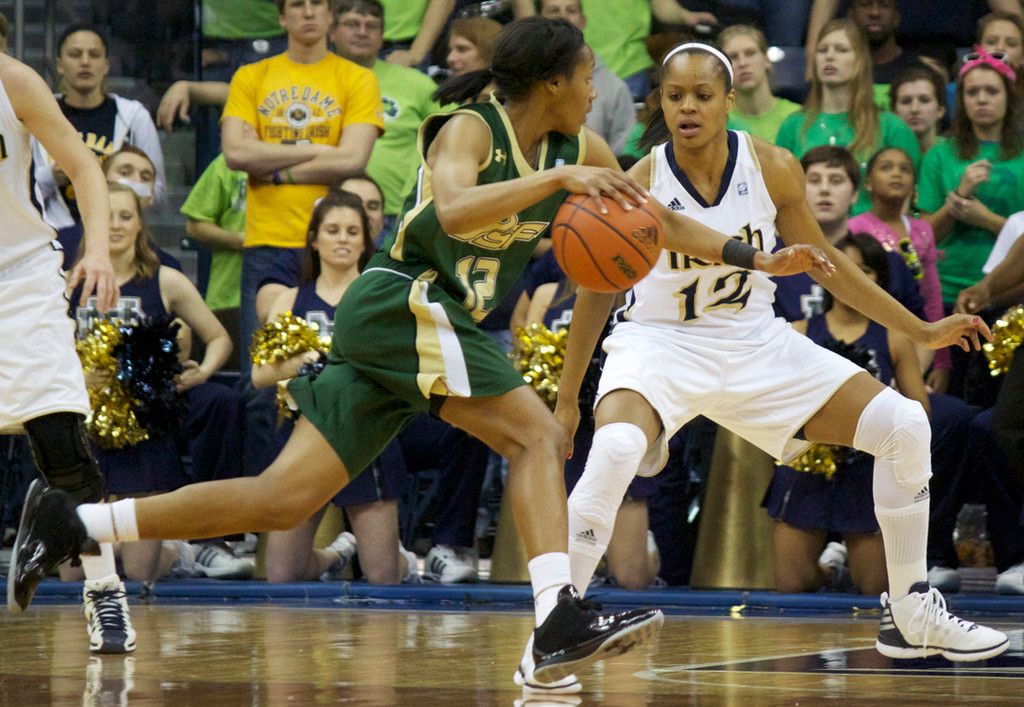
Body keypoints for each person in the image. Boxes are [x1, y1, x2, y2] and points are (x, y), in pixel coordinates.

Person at [9, 17, 825, 691]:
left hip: (417, 331)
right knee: (536, 432)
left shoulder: (581, 158)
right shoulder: (472, 127)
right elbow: (459, 209)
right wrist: (557, 184)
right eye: (586, 80)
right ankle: (555, 621)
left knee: (278, 500)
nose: (596, 95)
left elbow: (656, 223)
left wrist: (753, 258)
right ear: (552, 84)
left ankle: (77, 516)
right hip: (401, 300)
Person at [555, 42, 1006, 672]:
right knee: (617, 450)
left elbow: (833, 267)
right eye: (675, 96)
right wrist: (568, 400)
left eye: (703, 95)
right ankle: (556, 625)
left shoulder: (772, 167)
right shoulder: (639, 183)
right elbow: (595, 294)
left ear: (729, 101)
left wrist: (923, 330)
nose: (688, 108)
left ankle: (909, 614)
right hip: (659, 343)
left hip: (754, 342)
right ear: (659, 102)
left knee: (905, 425)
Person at [0, 50, 129, 653]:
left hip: (18, 280)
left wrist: (97, 249)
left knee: (69, 459)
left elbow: (83, 167)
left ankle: (105, 596)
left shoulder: (13, 80)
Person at [224, 0, 383, 475]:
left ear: (331, 16)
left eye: (318, 4)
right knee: (261, 387)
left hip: (339, 243)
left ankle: (329, 497)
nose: (309, 12)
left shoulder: (356, 78)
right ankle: (261, 518)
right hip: (268, 243)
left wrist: (276, 169)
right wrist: (317, 146)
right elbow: (234, 152)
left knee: (340, 373)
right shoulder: (251, 76)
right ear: (281, 17)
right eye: (297, 4)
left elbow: (353, 158)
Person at [70, 183, 234, 587]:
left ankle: (178, 553)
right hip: (85, 428)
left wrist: (202, 371)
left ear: (140, 224)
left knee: (139, 574)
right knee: (74, 574)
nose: (115, 225)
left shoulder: (166, 280)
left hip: (145, 430)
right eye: (106, 215)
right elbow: (41, 348)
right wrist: (78, 376)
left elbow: (220, 338)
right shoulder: (67, 281)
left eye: (125, 216)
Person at [252, 189, 415, 584]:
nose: (342, 238)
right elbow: (260, 375)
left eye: (352, 231)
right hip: (301, 437)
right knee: (282, 575)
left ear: (365, 241)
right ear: (314, 239)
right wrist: (313, 359)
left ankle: (411, 564)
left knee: (383, 576)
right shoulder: (288, 299)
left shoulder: (383, 298)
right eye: (332, 230)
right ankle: (334, 557)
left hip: (367, 436)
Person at [764, 233, 928, 596]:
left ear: (879, 280)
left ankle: (850, 561)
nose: (856, 277)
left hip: (867, 470)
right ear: (826, 273)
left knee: (874, 588)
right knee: (792, 584)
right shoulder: (799, 331)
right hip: (809, 464)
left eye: (866, 270)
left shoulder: (894, 337)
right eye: (847, 267)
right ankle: (830, 571)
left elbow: (921, 410)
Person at [31, 24, 167, 271]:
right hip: (52, 239)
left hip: (117, 240)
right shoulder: (39, 113)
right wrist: (51, 176)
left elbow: (158, 194)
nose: (85, 62)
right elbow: (17, 189)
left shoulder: (133, 116)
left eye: (94, 55)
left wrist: (119, 182)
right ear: (59, 64)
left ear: (106, 65)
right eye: (75, 54)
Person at [776, 19, 920, 215]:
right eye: (822, 50)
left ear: (860, 59)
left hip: (874, 241)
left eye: (841, 50)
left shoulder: (892, 126)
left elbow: (905, 201)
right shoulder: (792, 125)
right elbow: (781, 196)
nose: (829, 57)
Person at [330, 0, 446, 240]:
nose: (362, 32)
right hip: (325, 208)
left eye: (371, 26)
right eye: (353, 24)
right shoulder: (312, 80)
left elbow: (459, 127)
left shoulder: (415, 82)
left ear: (382, 36)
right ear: (331, 31)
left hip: (394, 214)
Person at [918, 48, 1024, 308]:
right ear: (961, 100)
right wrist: (958, 199)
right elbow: (924, 239)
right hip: (945, 290)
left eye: (992, 91)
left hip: (1008, 291)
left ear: (1009, 97)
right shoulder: (940, 154)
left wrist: (985, 219)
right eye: (972, 92)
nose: (982, 99)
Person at [848, 146, 950, 389]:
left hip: (917, 340)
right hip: (871, 337)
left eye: (905, 169)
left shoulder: (922, 230)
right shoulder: (854, 229)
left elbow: (932, 296)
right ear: (868, 183)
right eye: (886, 168)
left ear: (914, 185)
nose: (896, 174)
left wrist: (941, 360)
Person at [538, 0, 637, 155]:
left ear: (583, 21)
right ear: (539, 20)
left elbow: (625, 153)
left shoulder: (614, 87)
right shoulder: (526, 80)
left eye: (571, 10)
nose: (563, 17)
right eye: (554, 10)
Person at [718, 24, 801, 144]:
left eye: (750, 53)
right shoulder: (718, 122)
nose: (743, 63)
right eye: (733, 57)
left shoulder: (798, 116)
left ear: (766, 60)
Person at [845, 0, 931, 108]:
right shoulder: (838, 69)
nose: (875, 13)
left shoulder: (919, 71)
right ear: (851, 16)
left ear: (896, 17)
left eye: (884, 5)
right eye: (865, 5)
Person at [890, 65, 947, 156]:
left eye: (924, 100)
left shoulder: (955, 154)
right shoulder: (882, 156)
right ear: (894, 113)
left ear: (940, 111)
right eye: (906, 101)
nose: (914, 109)